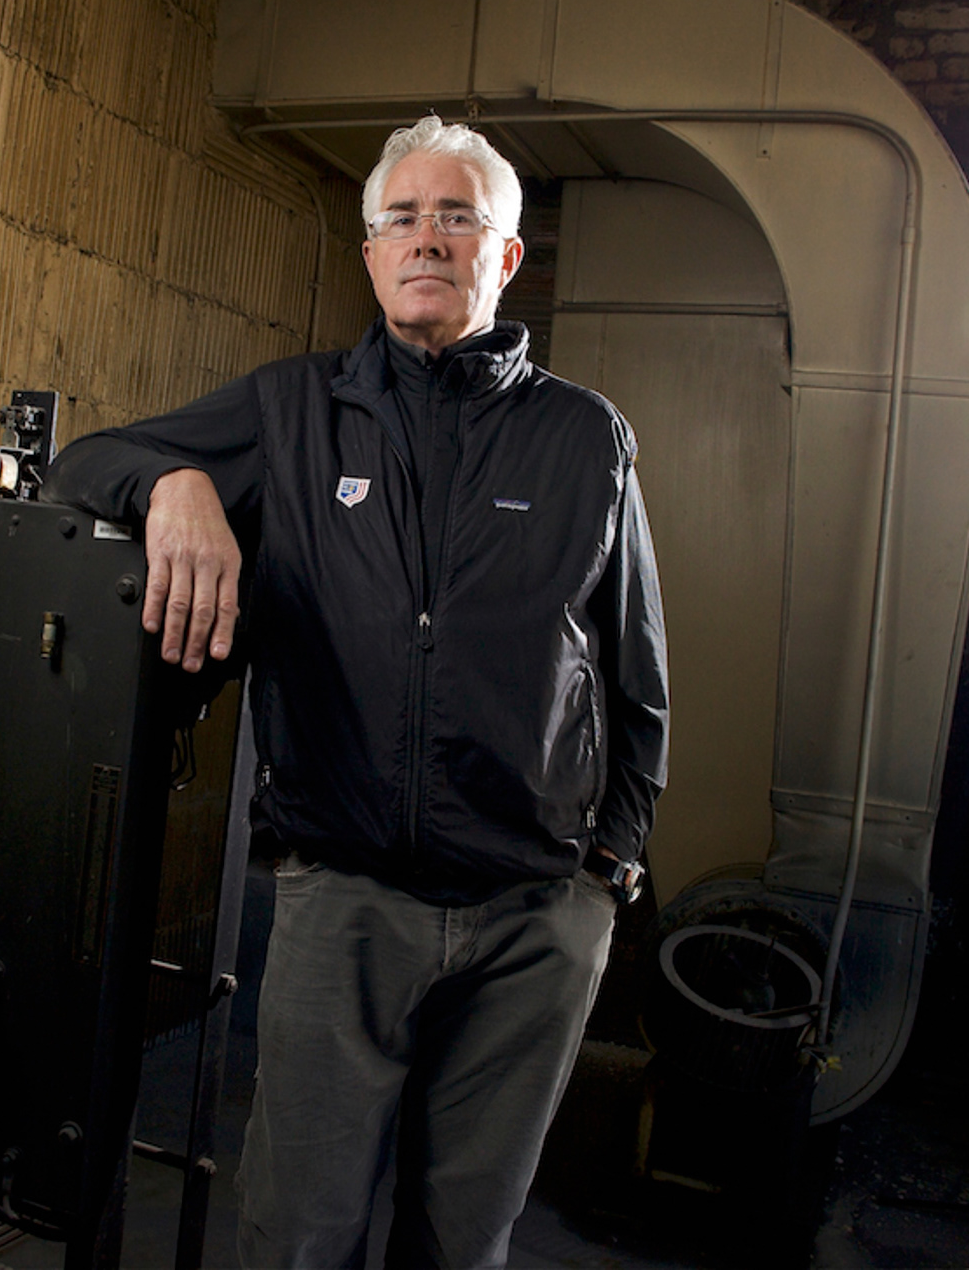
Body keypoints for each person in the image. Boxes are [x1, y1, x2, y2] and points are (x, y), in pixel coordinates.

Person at [44, 115, 668, 1269]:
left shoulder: (586, 437)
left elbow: (636, 671)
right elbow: (85, 462)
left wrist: (608, 871)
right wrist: (179, 484)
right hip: (346, 903)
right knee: (301, 1232)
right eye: (402, 217)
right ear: (373, 251)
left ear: (505, 254)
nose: (427, 237)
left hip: (534, 918)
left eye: (457, 216)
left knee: (462, 1238)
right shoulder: (289, 411)